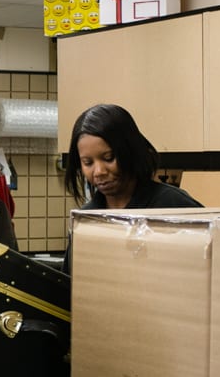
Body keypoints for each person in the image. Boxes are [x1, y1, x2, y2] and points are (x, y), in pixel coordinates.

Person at [62, 103, 202, 272]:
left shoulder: (173, 205)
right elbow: (70, 288)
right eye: (88, 163)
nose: (98, 171)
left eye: (109, 158)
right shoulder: (85, 221)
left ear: (130, 151)